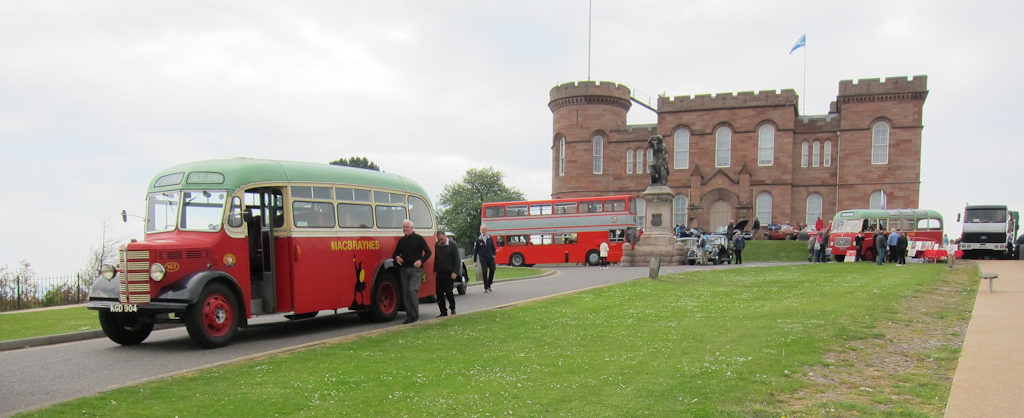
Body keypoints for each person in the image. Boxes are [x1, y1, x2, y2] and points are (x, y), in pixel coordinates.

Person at [393, 219, 432, 324]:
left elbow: (428, 252)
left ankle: (415, 316)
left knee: (412, 290)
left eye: (407, 227)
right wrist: (397, 258)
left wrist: (421, 261)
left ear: (412, 228)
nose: (405, 229)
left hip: (416, 270)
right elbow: (395, 254)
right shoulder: (401, 241)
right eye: (403, 227)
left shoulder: (419, 239)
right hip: (404, 270)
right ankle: (409, 316)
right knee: (405, 293)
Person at [432, 231, 459, 317]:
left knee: (448, 291)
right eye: (439, 240)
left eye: (442, 239)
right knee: (439, 293)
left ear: (445, 236)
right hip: (440, 272)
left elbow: (457, 259)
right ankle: (443, 311)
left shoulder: (452, 244)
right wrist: (435, 270)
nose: (440, 241)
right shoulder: (437, 245)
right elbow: (436, 258)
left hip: (449, 272)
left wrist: (455, 272)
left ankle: (453, 308)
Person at [474, 224, 497, 292]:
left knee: (492, 270)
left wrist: (493, 254)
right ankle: (486, 286)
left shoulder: (490, 238)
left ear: (486, 230)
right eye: (482, 230)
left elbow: (493, 247)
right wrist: (475, 261)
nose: (483, 231)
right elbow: (475, 251)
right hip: (483, 258)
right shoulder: (478, 240)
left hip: (490, 257)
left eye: (484, 229)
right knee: (484, 271)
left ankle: (489, 284)